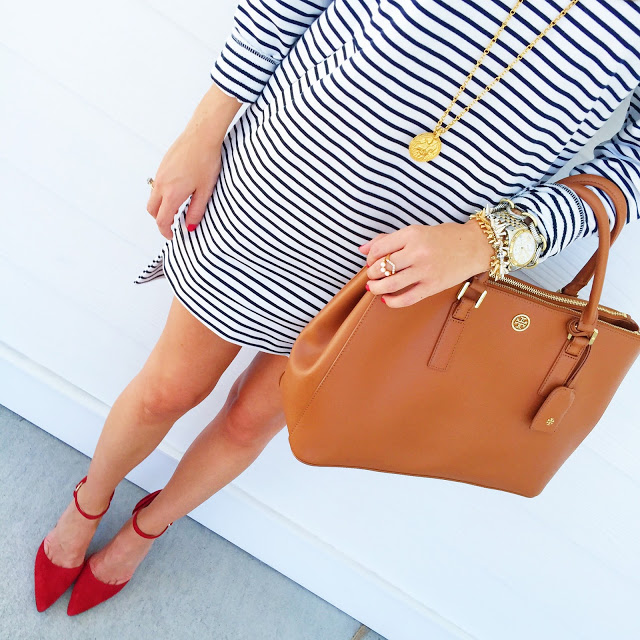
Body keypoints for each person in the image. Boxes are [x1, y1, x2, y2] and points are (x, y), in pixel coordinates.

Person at [35, 0, 639, 616]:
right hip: (277, 182)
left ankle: (146, 529)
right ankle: (86, 504)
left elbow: (633, 168)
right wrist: (204, 127)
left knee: (251, 421)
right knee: (168, 389)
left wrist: (490, 240)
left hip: (405, 268)